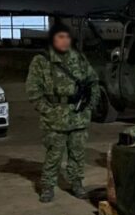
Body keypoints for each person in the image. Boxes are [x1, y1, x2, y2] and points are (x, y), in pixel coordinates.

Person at [25, 23, 100, 203]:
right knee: (54, 154)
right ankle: (48, 186)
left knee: (78, 153)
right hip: (55, 117)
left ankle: (76, 183)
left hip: (78, 115)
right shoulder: (42, 61)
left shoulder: (79, 58)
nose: (65, 41)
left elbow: (93, 82)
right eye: (60, 37)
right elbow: (33, 90)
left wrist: (89, 106)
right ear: (52, 39)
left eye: (67, 37)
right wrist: (47, 110)